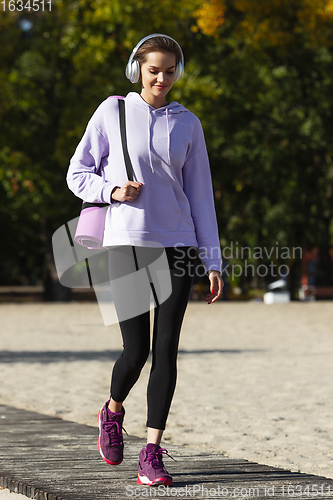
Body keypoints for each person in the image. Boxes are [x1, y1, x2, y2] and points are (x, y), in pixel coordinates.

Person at [66, 33, 223, 487]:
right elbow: (78, 173)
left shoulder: (188, 123)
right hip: (126, 241)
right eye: (154, 69)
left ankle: (152, 452)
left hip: (177, 244)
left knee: (166, 350)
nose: (162, 78)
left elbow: (200, 196)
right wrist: (111, 192)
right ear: (138, 69)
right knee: (135, 351)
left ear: (179, 72)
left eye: (170, 70)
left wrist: (211, 259)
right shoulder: (112, 111)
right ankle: (112, 411)